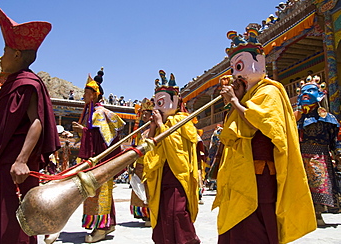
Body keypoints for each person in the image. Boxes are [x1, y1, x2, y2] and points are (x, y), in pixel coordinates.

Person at [212, 29, 316, 244]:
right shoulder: (246, 96)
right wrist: (237, 100)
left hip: (260, 174)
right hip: (240, 171)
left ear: (259, 62)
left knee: (256, 226)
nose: (236, 74)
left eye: (239, 67)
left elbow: (259, 122)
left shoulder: (270, 92)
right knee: (236, 225)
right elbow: (232, 132)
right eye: (233, 69)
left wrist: (234, 101)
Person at [0, 3, 60, 244]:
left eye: (5, 51)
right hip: (3, 168)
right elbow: (11, 126)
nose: (1, 57)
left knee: (13, 228)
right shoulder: (12, 84)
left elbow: (37, 122)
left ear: (17, 55)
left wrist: (21, 160)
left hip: (16, 169)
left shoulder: (27, 83)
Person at [143, 70, 200, 244]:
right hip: (161, 178)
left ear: (175, 101)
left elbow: (177, 150)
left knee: (177, 212)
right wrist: (153, 127)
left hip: (177, 178)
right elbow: (148, 148)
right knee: (163, 216)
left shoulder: (182, 121)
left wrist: (160, 125)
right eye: (156, 102)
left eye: (162, 101)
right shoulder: (159, 124)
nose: (158, 106)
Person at [72, 72, 125, 243]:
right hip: (94, 161)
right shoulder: (91, 112)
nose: (84, 96)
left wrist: (84, 132)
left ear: (95, 94)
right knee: (99, 193)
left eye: (87, 93)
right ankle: (108, 224)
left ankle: (101, 229)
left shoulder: (100, 113)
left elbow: (105, 140)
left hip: (101, 161)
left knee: (99, 194)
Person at [294, 75, 341, 226]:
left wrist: (337, 152)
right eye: (303, 92)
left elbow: (335, 136)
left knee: (319, 184)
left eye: (311, 91)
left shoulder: (327, 117)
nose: (306, 94)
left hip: (319, 155)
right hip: (300, 155)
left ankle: (318, 214)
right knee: (301, 185)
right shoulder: (298, 117)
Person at [129, 98, 154, 227]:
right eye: (143, 113)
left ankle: (151, 214)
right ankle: (144, 214)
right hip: (139, 164)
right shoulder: (141, 131)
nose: (144, 116)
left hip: (149, 165)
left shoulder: (154, 130)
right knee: (140, 190)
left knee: (150, 191)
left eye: (147, 113)